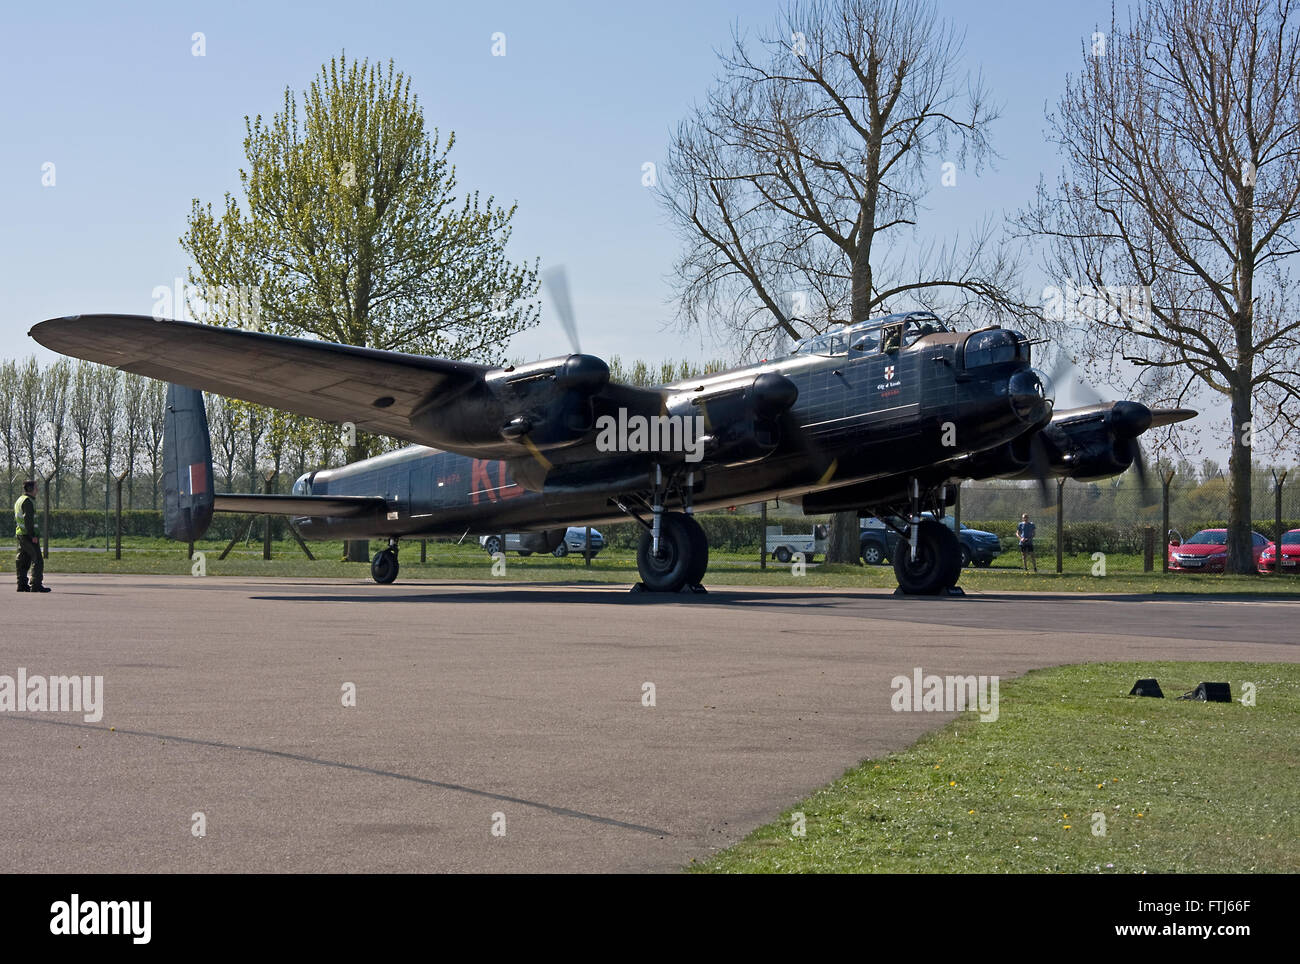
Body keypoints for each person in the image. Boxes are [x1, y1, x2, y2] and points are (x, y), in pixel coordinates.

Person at [15, 479, 50, 593]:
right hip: (28, 535)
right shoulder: (28, 501)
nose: (37, 490)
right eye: (36, 487)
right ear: (30, 489)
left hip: (20, 534)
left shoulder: (20, 500)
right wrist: (32, 535)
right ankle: (36, 584)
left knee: (23, 560)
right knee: (37, 559)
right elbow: (28, 520)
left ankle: (22, 585)